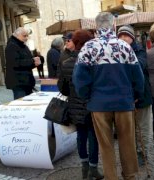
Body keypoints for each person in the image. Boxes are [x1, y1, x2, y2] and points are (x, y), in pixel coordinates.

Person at [73, 12, 144, 180]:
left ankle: (111, 177)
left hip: (99, 104)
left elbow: (79, 79)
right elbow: (138, 76)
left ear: (96, 27)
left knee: (105, 146)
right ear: (114, 26)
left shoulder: (88, 48)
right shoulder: (125, 46)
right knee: (127, 142)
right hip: (124, 102)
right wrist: (136, 95)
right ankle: (130, 176)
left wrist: (87, 96)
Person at [57, 30, 103, 180]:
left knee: (81, 136)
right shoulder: (94, 62)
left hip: (74, 107)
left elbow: (62, 88)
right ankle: (93, 169)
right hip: (92, 105)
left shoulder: (66, 63)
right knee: (93, 137)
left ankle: (84, 167)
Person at [117, 25, 152, 166]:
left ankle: (142, 154)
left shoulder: (140, 51)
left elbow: (139, 66)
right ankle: (131, 153)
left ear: (132, 38)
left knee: (142, 128)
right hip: (125, 98)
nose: (124, 39)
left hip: (142, 96)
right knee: (128, 129)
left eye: (127, 36)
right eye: (121, 36)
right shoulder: (115, 52)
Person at [5, 27, 41, 99]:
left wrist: (34, 63)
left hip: (26, 82)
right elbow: (15, 63)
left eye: (27, 36)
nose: (26, 38)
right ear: (17, 35)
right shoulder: (12, 46)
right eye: (24, 36)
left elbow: (27, 62)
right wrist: (32, 61)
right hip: (18, 82)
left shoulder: (22, 45)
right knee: (21, 103)